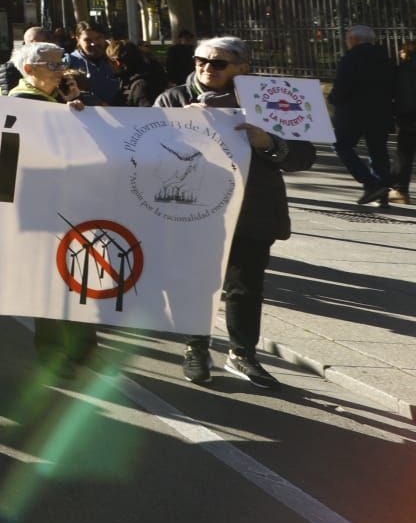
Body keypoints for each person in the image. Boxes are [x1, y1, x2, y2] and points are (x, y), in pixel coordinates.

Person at [158, 37, 316, 387]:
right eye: (201, 60)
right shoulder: (173, 100)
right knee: (197, 283)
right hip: (194, 210)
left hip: (251, 208)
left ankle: (242, 354)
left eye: (218, 63)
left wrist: (268, 143)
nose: (206, 68)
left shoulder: (268, 101)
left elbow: (303, 157)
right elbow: (143, 152)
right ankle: (195, 348)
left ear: (243, 68)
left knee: (246, 287)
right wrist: (178, 129)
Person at [6, 40, 99, 377]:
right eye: (54, 65)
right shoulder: (20, 103)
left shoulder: (58, 100)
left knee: (80, 275)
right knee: (50, 282)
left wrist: (75, 104)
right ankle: (54, 352)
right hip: (40, 208)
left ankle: (83, 345)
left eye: (62, 63)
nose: (62, 70)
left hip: (73, 201)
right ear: (29, 70)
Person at [332, 25, 398, 206]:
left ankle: (370, 182)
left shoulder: (351, 59)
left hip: (353, 113)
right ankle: (382, 193)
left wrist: (333, 99)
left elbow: (342, 87)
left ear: (353, 39)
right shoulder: (386, 59)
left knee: (341, 146)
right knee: (378, 151)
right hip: (381, 112)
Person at [64, 23, 120, 105]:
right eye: (88, 40)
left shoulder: (116, 59)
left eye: (98, 38)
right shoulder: (69, 62)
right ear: (78, 40)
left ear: (104, 38)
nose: (94, 43)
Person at [107, 40, 165, 108]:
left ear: (117, 62)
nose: (108, 65)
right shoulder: (127, 80)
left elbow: (148, 114)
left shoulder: (139, 85)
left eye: (109, 61)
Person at [0, 26, 48, 95]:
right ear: (33, 42)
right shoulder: (10, 69)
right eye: (46, 43)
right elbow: (9, 101)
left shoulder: (50, 66)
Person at [394, 42, 416, 205]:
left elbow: (406, 94)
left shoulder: (406, 68)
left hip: (410, 117)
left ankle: (400, 190)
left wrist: (402, 115)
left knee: (404, 154)